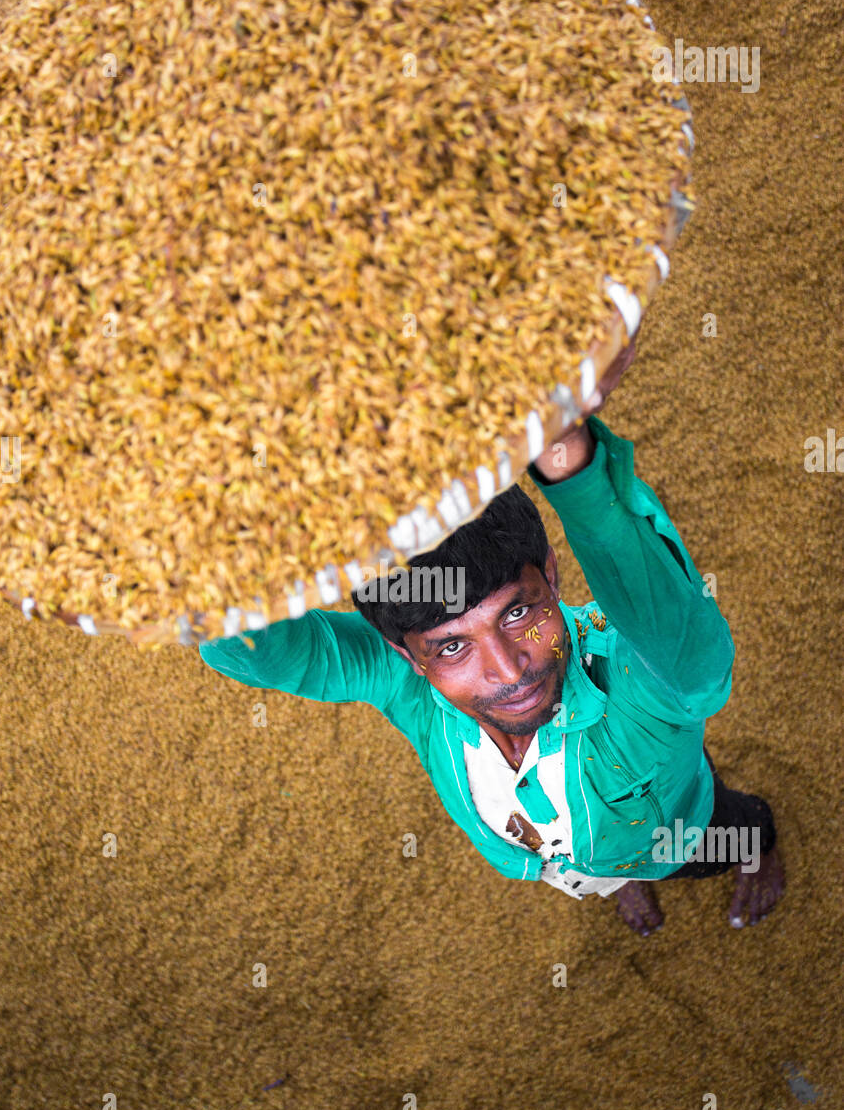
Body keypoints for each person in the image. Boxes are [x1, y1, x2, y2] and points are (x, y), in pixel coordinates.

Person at [199, 334, 784, 935]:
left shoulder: (645, 680)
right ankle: (620, 873)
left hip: (676, 834)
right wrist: (218, 569)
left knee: (726, 827)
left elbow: (682, 645)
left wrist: (569, 462)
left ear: (551, 575)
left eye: (515, 614)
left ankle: (757, 850)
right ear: (406, 656)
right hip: (595, 844)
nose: (510, 672)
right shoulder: (405, 684)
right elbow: (267, 652)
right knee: (639, 812)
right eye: (452, 646)